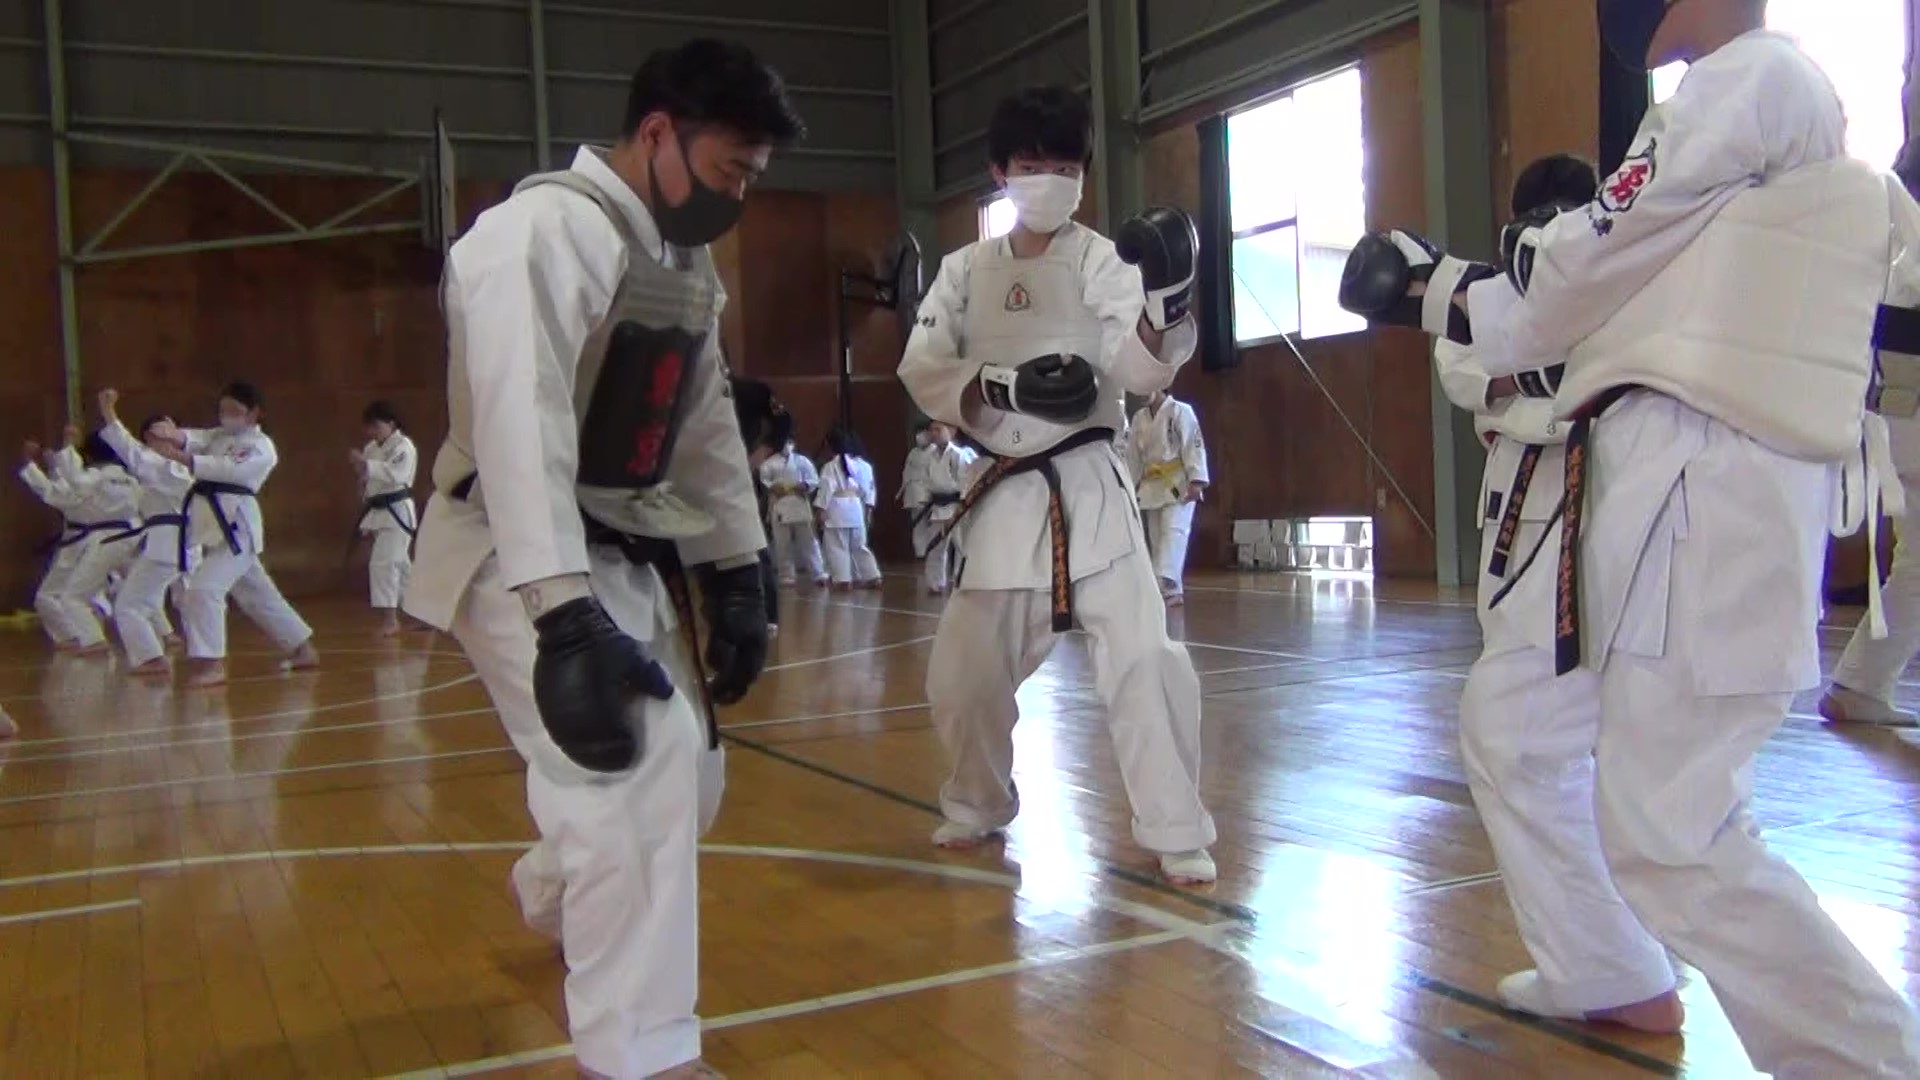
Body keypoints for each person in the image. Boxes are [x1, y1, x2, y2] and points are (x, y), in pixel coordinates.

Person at [1346, 2, 1920, 1071]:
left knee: (1674, 829)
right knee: (1516, 725)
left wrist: (1440, 288)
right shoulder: (1745, 95)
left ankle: (1872, 1063)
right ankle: (1605, 967)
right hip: (1668, 491)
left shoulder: (1751, 81)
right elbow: (1596, 280)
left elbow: (1582, 270)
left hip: (1712, 492)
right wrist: (1480, 295)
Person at [401, 37, 791, 1080]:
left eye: (751, 179)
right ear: (658, 134)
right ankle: (641, 1055)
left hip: (621, 539)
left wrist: (736, 566)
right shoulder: (534, 234)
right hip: (512, 545)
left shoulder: (679, 260)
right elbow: (519, 422)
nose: (737, 199)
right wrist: (563, 614)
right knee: (635, 762)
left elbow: (703, 418)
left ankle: (557, 888)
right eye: (729, 172)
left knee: (692, 777)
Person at [897, 84, 1217, 885]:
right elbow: (922, 367)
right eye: (1033, 165)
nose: (1050, 180)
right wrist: (1002, 386)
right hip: (1004, 491)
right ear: (999, 172)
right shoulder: (964, 270)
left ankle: (1176, 827)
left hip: (1091, 483)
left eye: (1066, 167)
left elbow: (1140, 369)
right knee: (963, 677)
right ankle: (976, 800)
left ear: (1084, 175)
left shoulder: (1101, 259)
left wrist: (1166, 309)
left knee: (1146, 660)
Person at [1821, 146, 1920, 727]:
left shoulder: (1888, 240)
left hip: (1896, 422)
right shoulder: (1907, 248)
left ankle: (1861, 682)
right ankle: (1859, 684)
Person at [144, 381, 319, 688]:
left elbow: (228, 469)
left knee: (203, 589)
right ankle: (303, 649)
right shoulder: (218, 436)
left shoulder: (261, 446)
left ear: (254, 413)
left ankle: (212, 663)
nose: (226, 416)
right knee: (258, 595)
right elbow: (194, 438)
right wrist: (172, 434)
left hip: (239, 528)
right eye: (223, 409)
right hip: (215, 525)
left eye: (234, 410)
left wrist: (182, 458)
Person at [98, 389, 196, 676]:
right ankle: (202, 654)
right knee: (188, 601)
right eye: (157, 433)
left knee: (129, 605)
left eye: (167, 431)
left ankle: (152, 658)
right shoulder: (184, 466)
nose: (163, 437)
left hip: (169, 543)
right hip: (182, 543)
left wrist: (108, 411)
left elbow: (128, 448)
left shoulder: (161, 465)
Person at [1126, 390, 1208, 604]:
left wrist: (1197, 480)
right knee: (1156, 538)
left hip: (1178, 484)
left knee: (1173, 532)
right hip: (1151, 485)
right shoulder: (1139, 418)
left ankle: (1164, 581)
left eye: (1146, 388)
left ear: (1161, 384)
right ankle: (1172, 591)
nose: (1142, 394)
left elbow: (1194, 445)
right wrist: (1129, 485)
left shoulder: (1181, 411)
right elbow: (1133, 457)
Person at [731, 373, 792, 635]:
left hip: (738, 475)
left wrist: (764, 450)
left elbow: (783, 421)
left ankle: (768, 616)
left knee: (755, 548)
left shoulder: (750, 393)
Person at [351, 401, 419, 637]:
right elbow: (367, 478)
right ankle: (423, 613)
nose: (372, 432)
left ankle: (391, 620)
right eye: (369, 427)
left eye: (376, 426)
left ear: (391, 424)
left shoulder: (403, 446)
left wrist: (365, 465)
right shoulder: (371, 448)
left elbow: (395, 474)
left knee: (384, 563)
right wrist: (362, 482)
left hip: (397, 512)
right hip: (378, 511)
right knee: (400, 565)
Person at [814, 425, 881, 590]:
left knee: (837, 546)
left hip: (837, 510)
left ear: (829, 445)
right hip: (856, 508)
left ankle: (843, 580)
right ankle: (872, 576)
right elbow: (868, 490)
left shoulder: (830, 466)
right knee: (859, 546)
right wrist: (868, 509)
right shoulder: (861, 465)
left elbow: (826, 489)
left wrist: (820, 511)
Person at [916, 421, 975, 594]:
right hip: (937, 506)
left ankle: (961, 581)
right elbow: (924, 481)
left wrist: (963, 505)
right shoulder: (928, 456)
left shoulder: (959, 454)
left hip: (957, 505)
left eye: (938, 429)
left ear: (951, 431)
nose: (934, 433)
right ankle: (936, 584)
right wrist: (924, 501)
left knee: (962, 546)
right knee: (935, 547)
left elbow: (965, 482)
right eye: (931, 430)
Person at [758, 436, 825, 587]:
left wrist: (805, 485)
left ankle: (818, 573)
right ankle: (786, 575)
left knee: (809, 541)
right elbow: (765, 480)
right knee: (783, 543)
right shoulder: (769, 463)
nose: (787, 446)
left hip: (799, 502)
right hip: (780, 504)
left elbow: (813, 479)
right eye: (785, 442)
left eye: (789, 442)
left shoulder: (802, 461)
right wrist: (772, 487)